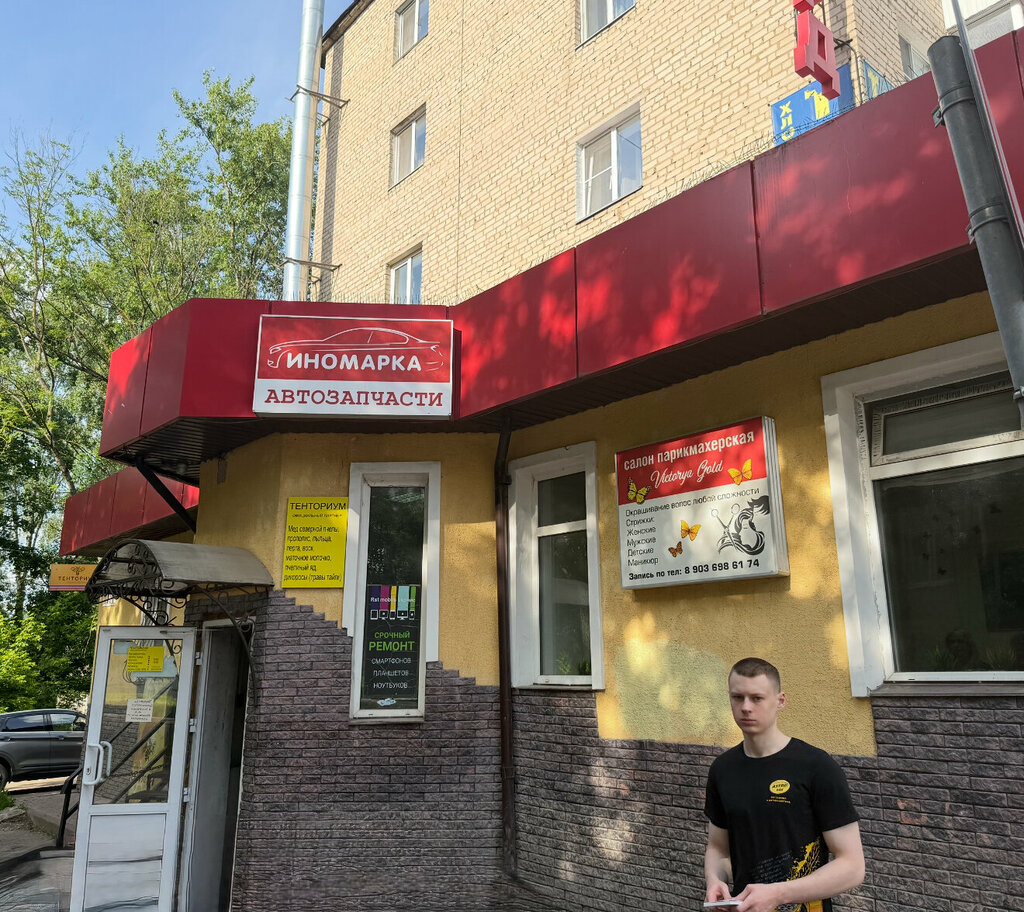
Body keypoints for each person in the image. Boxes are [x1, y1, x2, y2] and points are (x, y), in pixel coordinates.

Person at [704, 658, 864, 912]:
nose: (746, 707)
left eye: (757, 698)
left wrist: (778, 894)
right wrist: (715, 881)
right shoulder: (722, 770)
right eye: (737, 697)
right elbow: (719, 849)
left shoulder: (817, 767)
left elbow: (852, 867)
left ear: (780, 701)